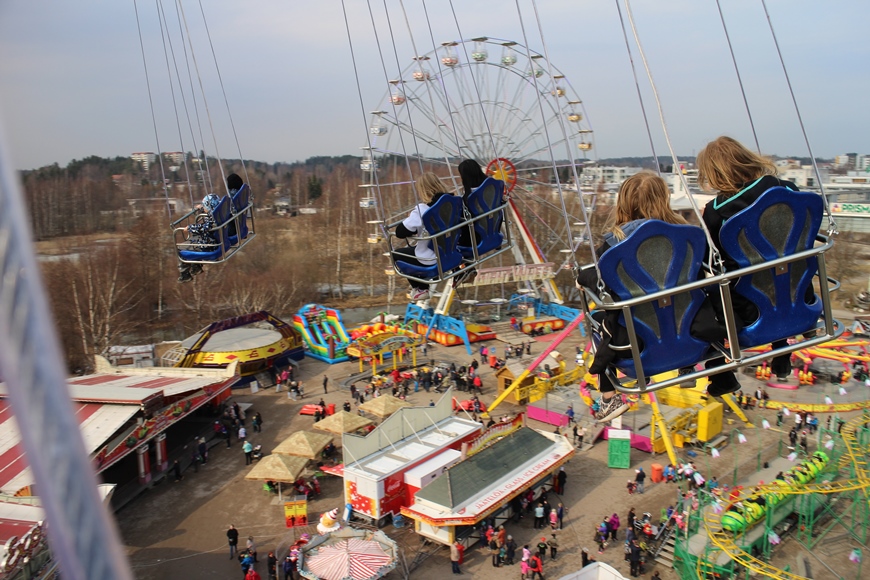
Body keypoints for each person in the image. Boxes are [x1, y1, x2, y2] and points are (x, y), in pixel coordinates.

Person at [576, 172, 736, 420]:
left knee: (600, 320)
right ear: (665, 199)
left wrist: (581, 278)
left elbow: (600, 284)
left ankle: (608, 397)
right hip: (693, 335)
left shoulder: (612, 247)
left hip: (636, 347)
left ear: (624, 204)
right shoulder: (690, 237)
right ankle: (689, 368)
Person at [698, 136, 809, 382]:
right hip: (798, 293)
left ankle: (720, 374)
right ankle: (782, 349)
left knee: (702, 287)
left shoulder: (718, 212)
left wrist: (707, 221)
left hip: (750, 307)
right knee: (778, 269)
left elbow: (709, 260)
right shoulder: (789, 190)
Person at [393, 173, 454, 301]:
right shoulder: (453, 205)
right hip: (451, 253)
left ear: (423, 191)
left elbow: (400, 232)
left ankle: (421, 288)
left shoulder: (423, 209)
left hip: (430, 258)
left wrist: (411, 220)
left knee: (397, 254)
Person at [178, 192, 224, 282]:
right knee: (194, 240)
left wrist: (190, 228)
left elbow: (205, 228)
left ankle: (186, 274)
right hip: (213, 240)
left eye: (205, 206)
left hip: (208, 244)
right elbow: (209, 219)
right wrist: (202, 208)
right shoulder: (218, 214)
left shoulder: (212, 219)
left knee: (180, 248)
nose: (203, 208)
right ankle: (196, 267)